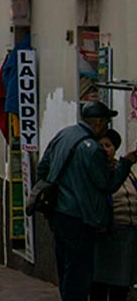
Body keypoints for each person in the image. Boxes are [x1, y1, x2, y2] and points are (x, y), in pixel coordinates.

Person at [38, 102, 137, 301]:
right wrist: (126, 163)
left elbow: (43, 168)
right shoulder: (92, 149)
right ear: (99, 122)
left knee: (66, 270)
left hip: (59, 214)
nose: (107, 127)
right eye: (107, 122)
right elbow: (108, 184)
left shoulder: (64, 135)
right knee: (79, 274)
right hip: (80, 217)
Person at [91, 129, 137, 301]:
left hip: (128, 233)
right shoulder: (95, 171)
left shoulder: (124, 170)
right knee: (100, 281)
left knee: (122, 282)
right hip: (107, 233)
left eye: (108, 145)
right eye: (100, 146)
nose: (105, 149)